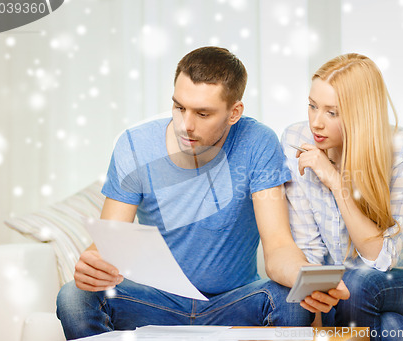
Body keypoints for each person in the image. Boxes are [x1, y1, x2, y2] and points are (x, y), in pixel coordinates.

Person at [56, 46, 350, 340]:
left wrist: (307, 279)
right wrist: (92, 264)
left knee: (292, 300)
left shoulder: (258, 142)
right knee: (74, 297)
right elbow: (109, 241)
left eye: (203, 113)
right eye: (179, 107)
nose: (186, 125)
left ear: (234, 112)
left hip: (233, 302)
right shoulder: (134, 145)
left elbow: (278, 247)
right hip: (155, 302)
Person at [281, 53, 403, 340]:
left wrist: (336, 182)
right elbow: (308, 250)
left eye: (331, 113)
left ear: (360, 114)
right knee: (392, 329)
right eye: (312, 106)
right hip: (349, 297)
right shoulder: (296, 140)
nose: (316, 123)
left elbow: (380, 259)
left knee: (358, 282)